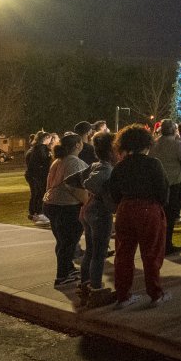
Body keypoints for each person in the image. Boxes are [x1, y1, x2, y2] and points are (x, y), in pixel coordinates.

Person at [106, 124, 171, 309]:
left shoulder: (120, 166)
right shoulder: (153, 164)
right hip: (148, 209)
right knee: (151, 254)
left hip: (125, 208)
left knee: (123, 254)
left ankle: (123, 296)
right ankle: (155, 294)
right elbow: (163, 191)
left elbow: (113, 192)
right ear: (146, 143)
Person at [43, 133, 88, 287]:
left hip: (52, 203)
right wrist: (86, 202)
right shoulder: (73, 162)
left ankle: (68, 268)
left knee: (62, 241)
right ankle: (62, 275)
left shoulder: (58, 161)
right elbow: (74, 186)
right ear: (77, 145)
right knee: (68, 242)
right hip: (67, 206)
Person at [79, 132, 117, 308]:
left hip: (89, 210)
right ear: (110, 151)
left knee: (90, 251)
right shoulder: (106, 169)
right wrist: (104, 193)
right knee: (98, 254)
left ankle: (85, 285)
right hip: (99, 212)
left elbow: (80, 179)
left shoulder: (96, 165)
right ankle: (95, 289)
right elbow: (89, 183)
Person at [152, 119, 181, 254]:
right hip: (173, 181)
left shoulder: (155, 143)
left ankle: (158, 243)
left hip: (158, 181)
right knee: (170, 214)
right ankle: (167, 244)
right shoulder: (176, 144)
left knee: (159, 213)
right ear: (174, 130)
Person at [24, 130, 53, 225]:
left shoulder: (34, 148)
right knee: (39, 194)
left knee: (35, 194)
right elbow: (44, 162)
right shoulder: (41, 148)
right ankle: (39, 213)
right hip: (38, 175)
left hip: (33, 175)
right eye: (49, 138)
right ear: (46, 138)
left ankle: (34, 212)